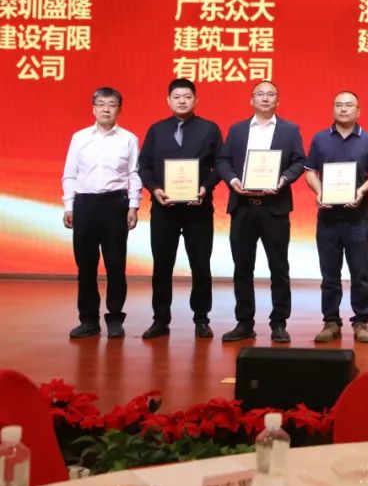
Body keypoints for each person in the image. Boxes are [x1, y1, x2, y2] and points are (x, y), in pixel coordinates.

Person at [216, 81, 306, 343]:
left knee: (279, 268)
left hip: (274, 208)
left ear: (278, 100)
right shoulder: (237, 130)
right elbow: (223, 161)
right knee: (242, 268)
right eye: (260, 94)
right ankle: (244, 323)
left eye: (270, 94)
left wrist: (283, 180)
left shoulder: (290, 130)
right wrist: (233, 180)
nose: (265, 98)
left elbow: (299, 161)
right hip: (243, 207)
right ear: (251, 100)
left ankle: (279, 323)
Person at [137, 79, 223, 339]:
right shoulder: (157, 130)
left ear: (196, 100)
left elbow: (221, 165)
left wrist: (205, 188)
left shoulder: (209, 129)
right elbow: (144, 167)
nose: (182, 101)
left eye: (187, 96)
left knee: (200, 265)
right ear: (168, 100)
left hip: (198, 208)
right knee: (162, 265)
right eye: (177, 97)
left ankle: (201, 319)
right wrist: (155, 189)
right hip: (164, 209)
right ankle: (160, 319)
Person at [62, 87, 142, 339]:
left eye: (112, 104)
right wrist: (69, 205)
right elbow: (70, 174)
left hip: (115, 205)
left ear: (119, 109)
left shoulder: (128, 139)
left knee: (115, 265)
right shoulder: (79, 138)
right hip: (85, 204)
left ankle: (115, 318)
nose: (106, 109)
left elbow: (134, 174)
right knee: (85, 266)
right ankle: (88, 320)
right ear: (93, 108)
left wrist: (133, 205)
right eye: (101, 104)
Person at [304, 91, 368, 344]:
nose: (343, 109)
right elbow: (310, 172)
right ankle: (331, 322)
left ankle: (361, 322)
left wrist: (361, 191)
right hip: (327, 218)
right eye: (338, 105)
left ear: (358, 111)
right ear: (333, 109)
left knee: (360, 274)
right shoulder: (320, 138)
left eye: (349, 105)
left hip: (358, 218)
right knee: (329, 275)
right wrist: (319, 191)